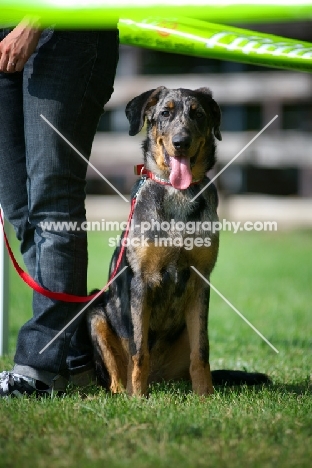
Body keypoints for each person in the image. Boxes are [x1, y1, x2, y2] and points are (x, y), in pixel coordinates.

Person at [0, 16, 119, 397]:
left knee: (53, 199)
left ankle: (40, 367)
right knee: (20, 208)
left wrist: (34, 23)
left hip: (64, 30)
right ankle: (76, 359)